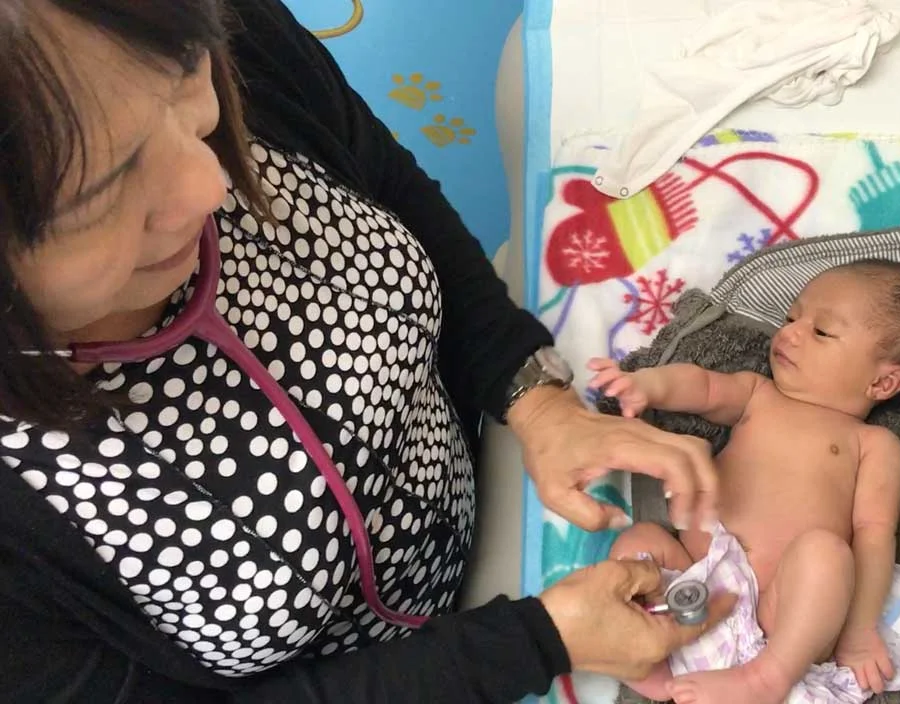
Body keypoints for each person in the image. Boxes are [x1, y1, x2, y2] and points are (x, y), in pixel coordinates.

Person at [0, 1, 734, 702]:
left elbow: (386, 180)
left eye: (188, 77)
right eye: (102, 193)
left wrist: (531, 395)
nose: (211, 181)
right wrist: (532, 644)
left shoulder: (199, 25)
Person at [589, 259, 900, 704]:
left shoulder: (873, 444)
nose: (790, 333)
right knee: (638, 541)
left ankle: (767, 679)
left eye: (821, 332)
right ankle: (656, 672)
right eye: (791, 317)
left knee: (828, 554)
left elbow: (874, 539)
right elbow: (701, 386)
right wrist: (647, 385)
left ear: (884, 380)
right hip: (693, 584)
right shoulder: (759, 394)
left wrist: (858, 631)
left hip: (785, 611)